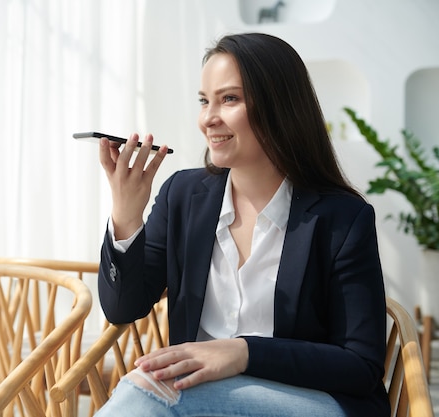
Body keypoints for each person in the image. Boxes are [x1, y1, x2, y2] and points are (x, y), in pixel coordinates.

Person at [95, 32, 389, 417]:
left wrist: (243, 352)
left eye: (228, 99)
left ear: (279, 106)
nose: (208, 119)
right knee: (152, 391)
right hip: (194, 401)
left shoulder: (342, 219)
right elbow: (122, 309)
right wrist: (126, 215)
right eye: (204, 101)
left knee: (149, 392)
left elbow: (360, 365)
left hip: (306, 401)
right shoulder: (182, 195)